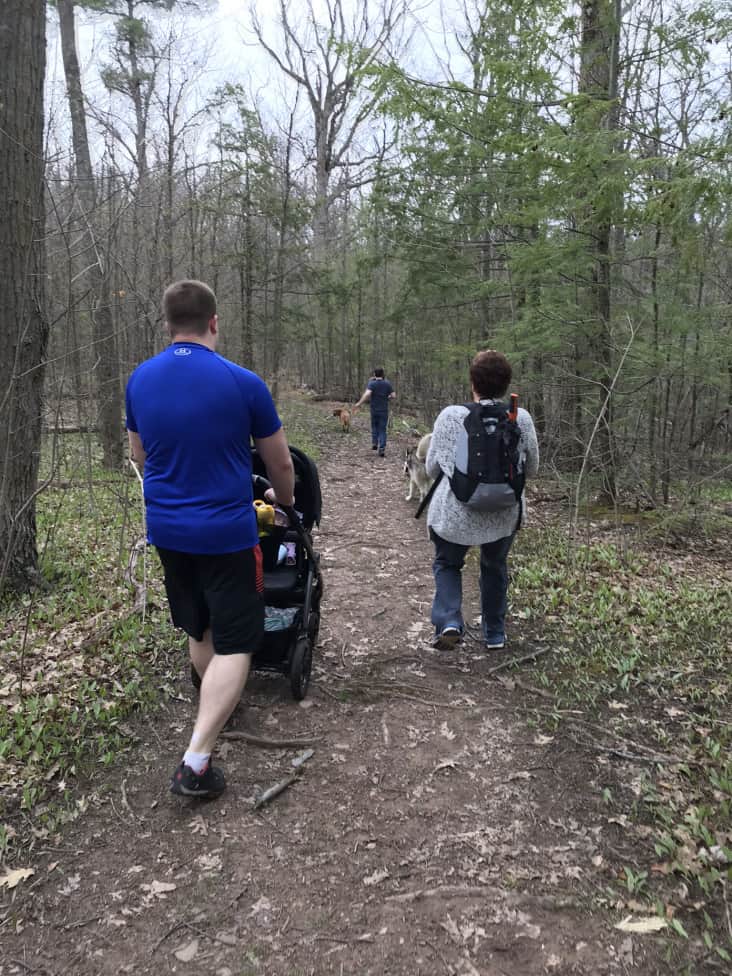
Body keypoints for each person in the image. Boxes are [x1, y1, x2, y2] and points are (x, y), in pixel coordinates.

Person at [125, 280, 295, 798]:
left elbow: (138, 456)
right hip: (226, 532)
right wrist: (285, 504)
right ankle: (196, 761)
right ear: (214, 322)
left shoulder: (139, 380)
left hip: (169, 531)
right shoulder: (242, 382)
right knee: (240, 640)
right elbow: (280, 462)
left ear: (168, 324)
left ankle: (217, 703)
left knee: (201, 633)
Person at [425, 350, 539, 651]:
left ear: (473, 382)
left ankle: (449, 621)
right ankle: (494, 633)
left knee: (448, 563)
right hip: (504, 513)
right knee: (495, 566)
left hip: (455, 514)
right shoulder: (520, 417)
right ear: (506, 384)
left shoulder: (451, 416)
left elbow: (430, 468)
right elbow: (533, 468)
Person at [353, 367, 396, 456]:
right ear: (383, 374)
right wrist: (388, 397)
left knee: (374, 426)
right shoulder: (387, 384)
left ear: (374, 374)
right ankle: (382, 448)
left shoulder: (372, 383)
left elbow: (367, 394)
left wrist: (359, 403)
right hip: (384, 410)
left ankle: (375, 443)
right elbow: (394, 395)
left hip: (374, 410)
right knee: (382, 429)